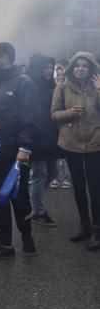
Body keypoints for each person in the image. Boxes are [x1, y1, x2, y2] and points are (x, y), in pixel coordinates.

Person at [0, 42, 38, 260]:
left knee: (19, 198)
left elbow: (30, 118)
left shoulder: (24, 82)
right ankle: (5, 245)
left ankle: (27, 237)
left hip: (16, 154)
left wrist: (24, 147)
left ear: (6, 58)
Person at [51, 52, 100, 250]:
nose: (81, 68)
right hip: (71, 143)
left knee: (96, 188)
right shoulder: (62, 87)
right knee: (78, 188)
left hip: (95, 143)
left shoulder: (97, 86)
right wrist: (69, 113)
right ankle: (84, 226)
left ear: (91, 69)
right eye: (77, 65)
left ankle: (97, 229)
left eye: (85, 66)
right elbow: (54, 114)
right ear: (72, 68)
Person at [27, 54, 58, 227]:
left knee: (52, 173)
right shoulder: (31, 85)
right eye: (45, 67)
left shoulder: (50, 85)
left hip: (50, 137)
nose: (48, 71)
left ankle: (34, 203)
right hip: (37, 138)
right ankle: (38, 211)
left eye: (50, 67)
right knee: (40, 174)